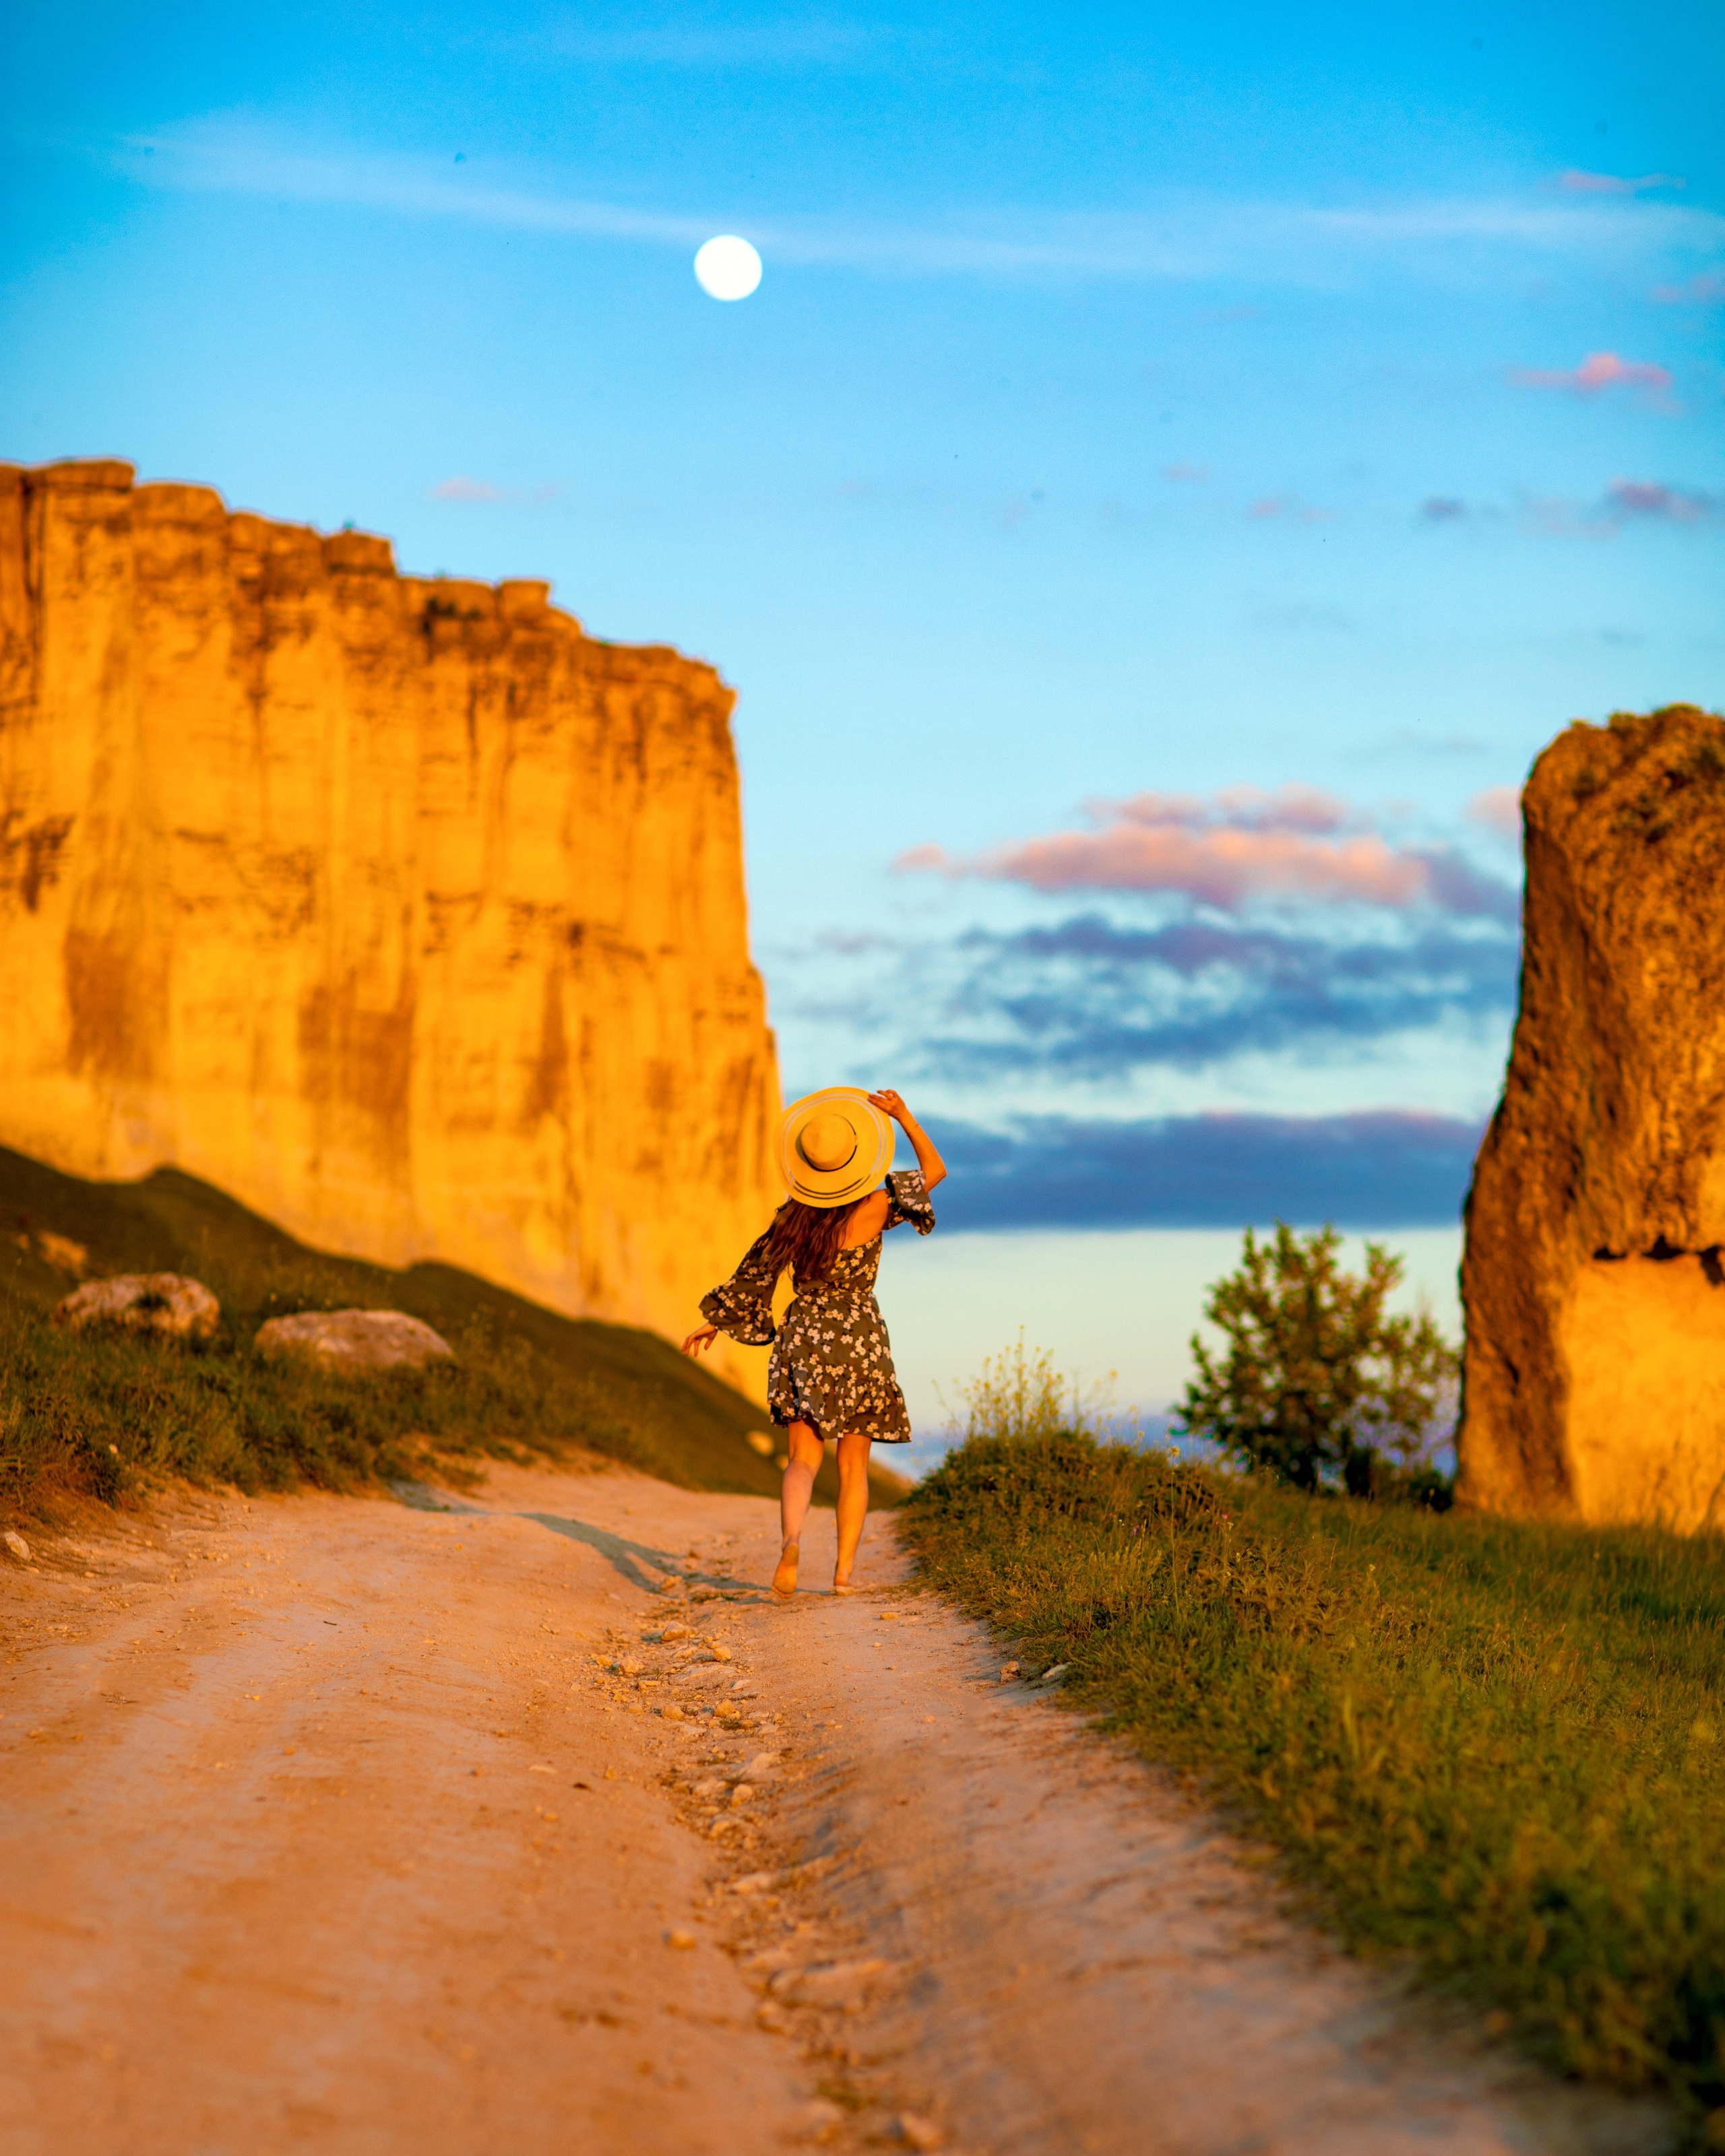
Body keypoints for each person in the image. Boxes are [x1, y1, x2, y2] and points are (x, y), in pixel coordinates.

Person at [683, 1086, 945, 1599]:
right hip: (860, 1334)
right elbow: (934, 1171)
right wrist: (904, 1116)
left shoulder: (791, 1218)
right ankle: (843, 1574)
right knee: (853, 1466)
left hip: (804, 1333)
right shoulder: (877, 1205)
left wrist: (715, 1322)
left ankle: (792, 1541)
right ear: (856, 1159)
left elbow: (753, 1276)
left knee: (802, 1459)